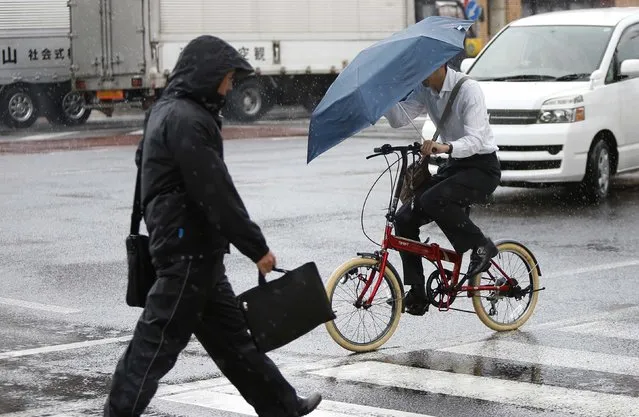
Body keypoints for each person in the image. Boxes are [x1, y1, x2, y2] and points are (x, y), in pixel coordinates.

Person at [103, 35, 322, 417]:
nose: (231, 85)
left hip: (190, 246)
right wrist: (257, 248)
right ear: (208, 75)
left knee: (234, 342)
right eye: (228, 77)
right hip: (188, 249)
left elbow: (147, 171)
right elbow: (215, 191)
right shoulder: (189, 119)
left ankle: (282, 406)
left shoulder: (165, 111)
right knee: (154, 344)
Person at [384, 63, 501, 316]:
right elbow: (399, 118)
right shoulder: (425, 88)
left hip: (482, 168)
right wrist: (384, 95)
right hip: (455, 166)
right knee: (404, 218)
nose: (421, 75)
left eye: (425, 69)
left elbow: (476, 140)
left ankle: (482, 245)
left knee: (433, 199)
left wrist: (444, 147)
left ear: (441, 66)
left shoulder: (469, 90)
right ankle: (417, 292)